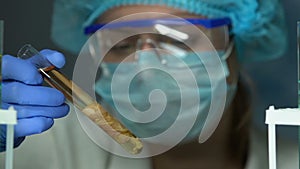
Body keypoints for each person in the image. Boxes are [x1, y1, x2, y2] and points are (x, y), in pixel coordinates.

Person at [1, 0, 294, 168]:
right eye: (122, 44)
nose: (145, 66)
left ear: (236, 45)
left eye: (177, 39)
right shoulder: (47, 148)